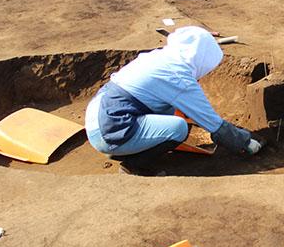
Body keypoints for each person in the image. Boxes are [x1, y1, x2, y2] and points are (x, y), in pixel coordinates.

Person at [84, 26, 261, 174]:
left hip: (97, 117)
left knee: (168, 110)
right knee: (178, 127)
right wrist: (245, 142)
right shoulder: (178, 77)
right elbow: (213, 124)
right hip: (110, 130)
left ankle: (124, 148)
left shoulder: (159, 58)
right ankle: (134, 166)